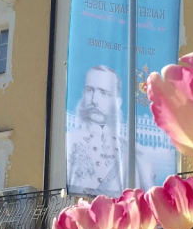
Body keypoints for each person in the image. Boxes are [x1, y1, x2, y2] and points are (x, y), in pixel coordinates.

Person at [66, 65, 155, 196]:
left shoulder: (138, 154)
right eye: (90, 90)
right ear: (83, 94)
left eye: (103, 93)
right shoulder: (68, 141)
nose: (94, 100)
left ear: (117, 102)